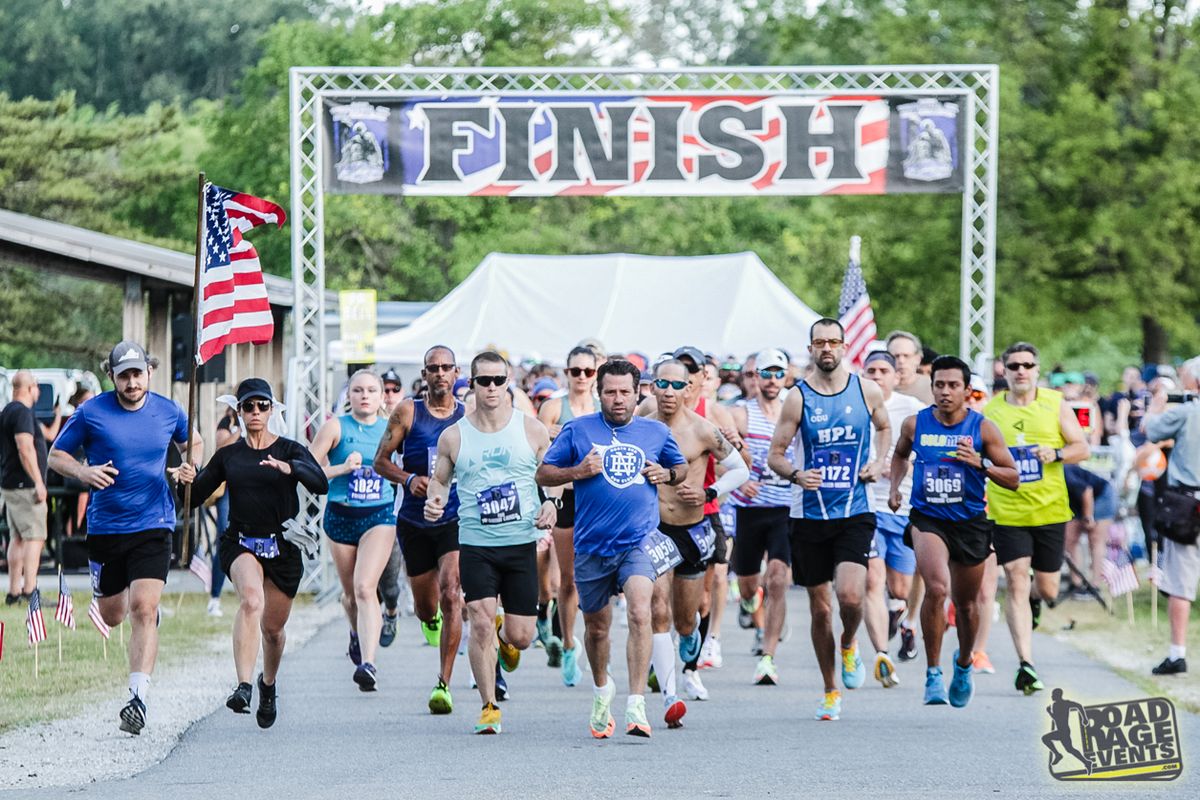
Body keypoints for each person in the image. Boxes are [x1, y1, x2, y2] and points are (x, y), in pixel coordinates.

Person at [48, 341, 203, 735]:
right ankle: (138, 608)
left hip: (154, 522)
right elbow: (55, 455)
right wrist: (84, 473)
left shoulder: (168, 410)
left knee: (143, 610)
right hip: (107, 528)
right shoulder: (92, 412)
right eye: (124, 375)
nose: (132, 382)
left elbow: (194, 442)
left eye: (138, 373)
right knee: (113, 615)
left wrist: (190, 466)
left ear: (149, 371)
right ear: (112, 376)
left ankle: (138, 698)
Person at [536, 359, 688, 739]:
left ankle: (637, 702)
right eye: (610, 392)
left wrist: (666, 474)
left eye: (625, 392)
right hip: (592, 545)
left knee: (640, 610)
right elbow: (543, 473)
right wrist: (577, 472)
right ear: (598, 393)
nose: (618, 399)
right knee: (598, 628)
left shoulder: (655, 431)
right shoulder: (577, 430)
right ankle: (603, 689)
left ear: (639, 393)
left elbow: (680, 466)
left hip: (638, 540)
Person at [424, 351, 560, 734]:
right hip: (476, 543)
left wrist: (551, 503)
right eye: (484, 381)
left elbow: (551, 476)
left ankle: (507, 637)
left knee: (523, 636)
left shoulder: (531, 429)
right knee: (479, 621)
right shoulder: (454, 436)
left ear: (508, 383)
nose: (492, 388)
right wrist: (435, 500)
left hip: (520, 542)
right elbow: (440, 480)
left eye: (499, 380)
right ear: (472, 383)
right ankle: (489, 706)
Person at [183, 378, 327, 728]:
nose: (256, 412)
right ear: (239, 410)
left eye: (263, 405)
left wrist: (291, 469)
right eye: (249, 406)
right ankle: (243, 685)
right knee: (251, 600)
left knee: (273, 631)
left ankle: (268, 684)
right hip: (241, 541)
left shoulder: (289, 449)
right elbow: (192, 498)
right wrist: (186, 479)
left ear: (273, 409)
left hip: (283, 545)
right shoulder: (230, 455)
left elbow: (320, 483)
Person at [768, 319, 892, 721]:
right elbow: (776, 455)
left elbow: (885, 427)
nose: (827, 349)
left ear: (844, 346)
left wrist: (878, 462)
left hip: (856, 508)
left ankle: (850, 642)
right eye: (819, 342)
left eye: (833, 342)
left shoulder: (866, 389)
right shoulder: (797, 398)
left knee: (852, 595)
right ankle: (830, 688)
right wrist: (796, 474)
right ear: (810, 348)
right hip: (809, 514)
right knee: (821, 609)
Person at [889, 356, 1018, 707]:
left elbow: (1014, 478)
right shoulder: (915, 425)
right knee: (936, 587)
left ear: (966, 390)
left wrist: (981, 464)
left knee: (966, 605)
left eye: (953, 386)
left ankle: (962, 664)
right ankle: (933, 674)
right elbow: (900, 456)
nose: (945, 392)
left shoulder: (984, 429)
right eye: (939, 385)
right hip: (928, 518)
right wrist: (895, 488)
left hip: (970, 521)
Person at [647, 359, 749, 724]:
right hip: (651, 529)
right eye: (663, 384)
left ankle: (689, 639)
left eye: (678, 385)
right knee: (657, 609)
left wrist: (710, 491)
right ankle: (669, 695)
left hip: (690, 529)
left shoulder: (703, 429)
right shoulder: (640, 421)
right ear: (652, 386)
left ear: (690, 387)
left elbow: (741, 469)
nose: (670, 392)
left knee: (685, 619)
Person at [984, 342, 1089, 694]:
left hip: (1049, 510)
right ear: (1004, 370)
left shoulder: (1055, 404)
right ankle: (1025, 665)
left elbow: (1083, 448)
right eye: (1013, 365)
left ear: (1037, 369)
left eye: (1027, 364)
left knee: (1047, 588)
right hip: (1008, 509)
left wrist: (1056, 452)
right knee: (1014, 577)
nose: (1020, 371)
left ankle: (1034, 601)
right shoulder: (991, 410)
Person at [372, 346, 466, 713]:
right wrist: (408, 478)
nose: (440, 374)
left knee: (452, 591)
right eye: (433, 368)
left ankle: (444, 683)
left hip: (456, 517)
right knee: (428, 607)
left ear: (456, 373)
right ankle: (432, 619)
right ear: (425, 374)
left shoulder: (469, 415)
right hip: (414, 519)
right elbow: (380, 461)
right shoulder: (409, 411)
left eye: (446, 368)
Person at [310, 370, 397, 690]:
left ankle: (368, 663)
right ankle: (356, 633)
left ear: (380, 396)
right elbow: (309, 470)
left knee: (364, 587)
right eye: (358, 390)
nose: (364, 395)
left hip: (379, 516)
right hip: (341, 517)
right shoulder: (335, 427)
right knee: (350, 596)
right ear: (349, 395)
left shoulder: (392, 429)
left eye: (371, 390)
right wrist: (342, 468)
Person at [728, 349, 795, 685]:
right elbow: (722, 453)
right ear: (755, 378)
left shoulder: (794, 410)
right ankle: (749, 602)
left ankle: (768, 657)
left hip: (785, 507)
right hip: (749, 508)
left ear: (786, 377)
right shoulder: (741, 414)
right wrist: (744, 475)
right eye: (764, 374)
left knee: (779, 578)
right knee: (748, 582)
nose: (770, 380)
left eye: (777, 374)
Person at [537, 345, 601, 686]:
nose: (581, 377)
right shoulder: (553, 406)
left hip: (598, 498)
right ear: (566, 373)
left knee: (597, 574)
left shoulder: (603, 406)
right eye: (575, 371)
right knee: (569, 578)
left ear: (596, 373)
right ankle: (568, 643)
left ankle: (595, 634)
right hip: (563, 496)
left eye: (587, 372)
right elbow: (540, 453)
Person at [860, 352, 924, 687]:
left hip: (902, 504)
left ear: (895, 377)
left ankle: (902, 618)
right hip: (867, 506)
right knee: (873, 579)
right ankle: (882, 655)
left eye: (884, 370)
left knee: (900, 586)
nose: (878, 375)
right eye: (871, 370)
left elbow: (923, 448)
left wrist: (900, 465)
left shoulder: (911, 407)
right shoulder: (856, 404)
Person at [1143, 356, 1200, 675]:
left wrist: (1158, 402)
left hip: (1188, 503)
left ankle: (1177, 653)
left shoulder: (1186, 413)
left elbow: (1149, 430)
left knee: (1180, 580)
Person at [1, 371, 49, 604]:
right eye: (37, 387)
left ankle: (14, 592)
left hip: (11, 483)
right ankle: (30, 590)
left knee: (17, 538)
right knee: (34, 537)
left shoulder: (8, 410)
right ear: (30, 387)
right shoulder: (21, 412)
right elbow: (25, 448)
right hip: (25, 485)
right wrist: (38, 482)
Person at [377, 367, 410, 643]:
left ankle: (394, 608)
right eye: (384, 390)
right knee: (359, 585)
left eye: (394, 389)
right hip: (362, 510)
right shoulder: (359, 423)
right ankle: (360, 635)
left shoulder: (408, 421)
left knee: (391, 576)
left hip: (396, 507)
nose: (389, 395)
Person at [205, 405, 241, 617]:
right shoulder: (227, 423)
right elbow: (221, 448)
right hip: (228, 488)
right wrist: (240, 432)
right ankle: (215, 597)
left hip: (251, 486)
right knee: (224, 537)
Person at [887, 331, 933, 405]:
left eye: (906, 356)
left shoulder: (933, 387)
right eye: (896, 356)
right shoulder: (879, 387)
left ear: (918, 359)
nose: (901, 361)